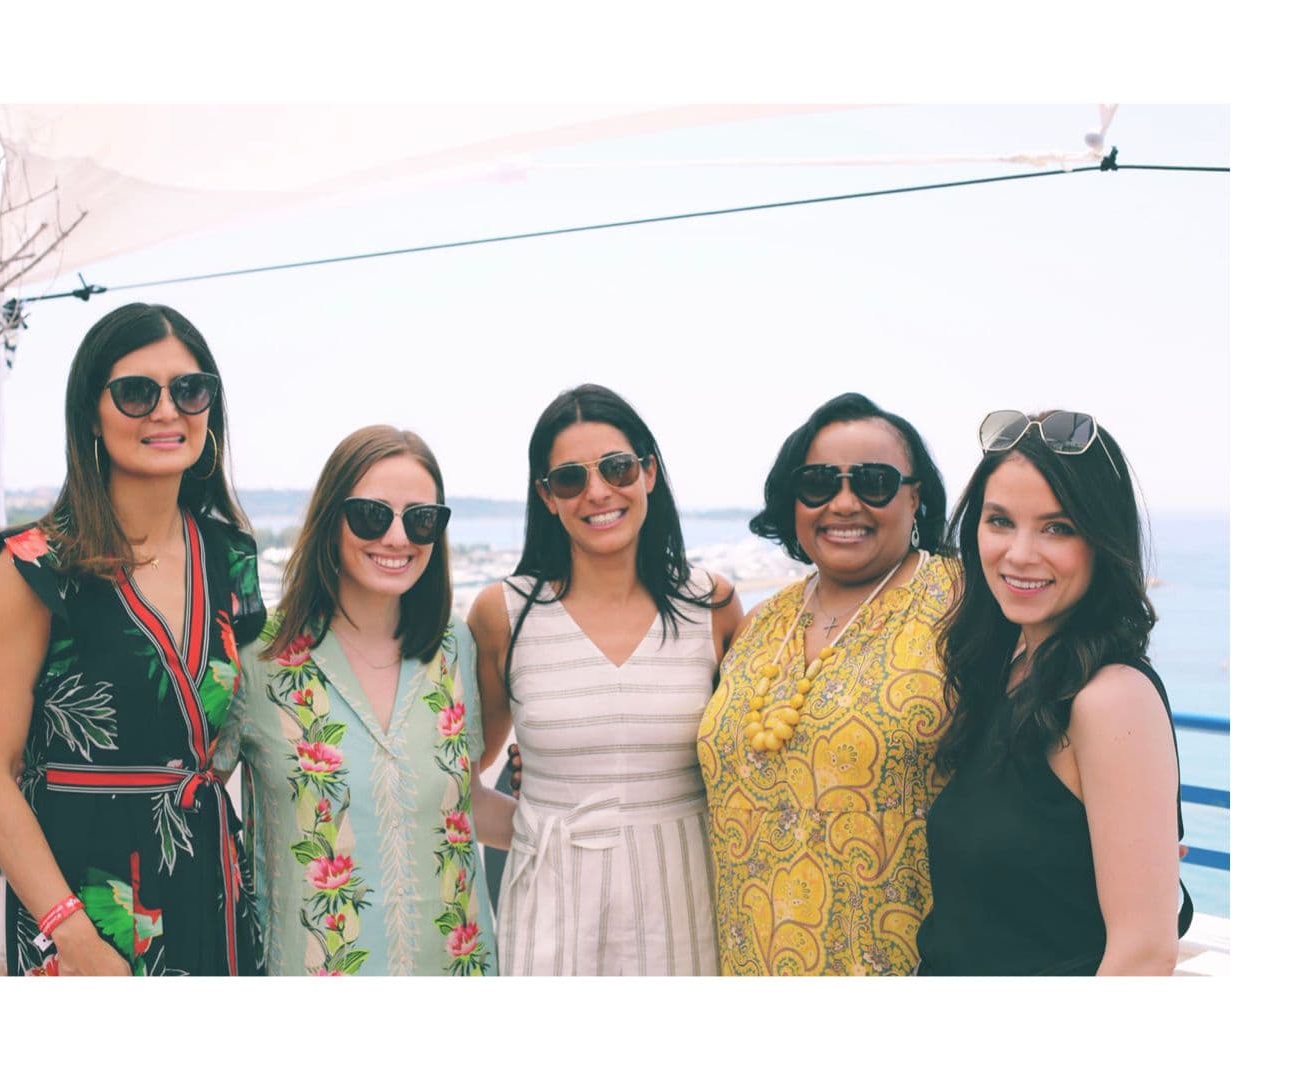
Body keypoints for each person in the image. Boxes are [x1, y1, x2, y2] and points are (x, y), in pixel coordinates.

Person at [0, 302, 265, 976]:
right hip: (80, 907)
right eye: (135, 392)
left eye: (189, 390)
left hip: (209, 888)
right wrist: (70, 933)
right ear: (91, 414)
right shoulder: (36, 570)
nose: (166, 411)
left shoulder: (230, 557)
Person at [469, 384, 741, 976]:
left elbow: (749, 767)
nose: (597, 493)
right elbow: (457, 778)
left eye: (616, 468)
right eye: (569, 478)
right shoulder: (502, 614)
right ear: (546, 496)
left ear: (648, 472)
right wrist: (537, 827)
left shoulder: (712, 604)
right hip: (548, 908)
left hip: (686, 902)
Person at [915, 410, 1192, 976]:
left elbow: (1143, 955)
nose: (1019, 553)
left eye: (1057, 527)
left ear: (1102, 540)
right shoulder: (1009, 668)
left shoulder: (1110, 697)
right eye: (999, 521)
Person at [696, 392, 958, 975]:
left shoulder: (965, 608)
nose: (844, 502)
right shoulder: (763, 623)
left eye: (873, 481)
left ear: (916, 496)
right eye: (818, 483)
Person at [231, 425, 509, 975]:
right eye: (371, 516)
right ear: (331, 519)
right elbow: (190, 803)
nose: (397, 539)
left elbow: (464, 804)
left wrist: (593, 830)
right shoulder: (256, 655)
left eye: (422, 519)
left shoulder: (455, 648)